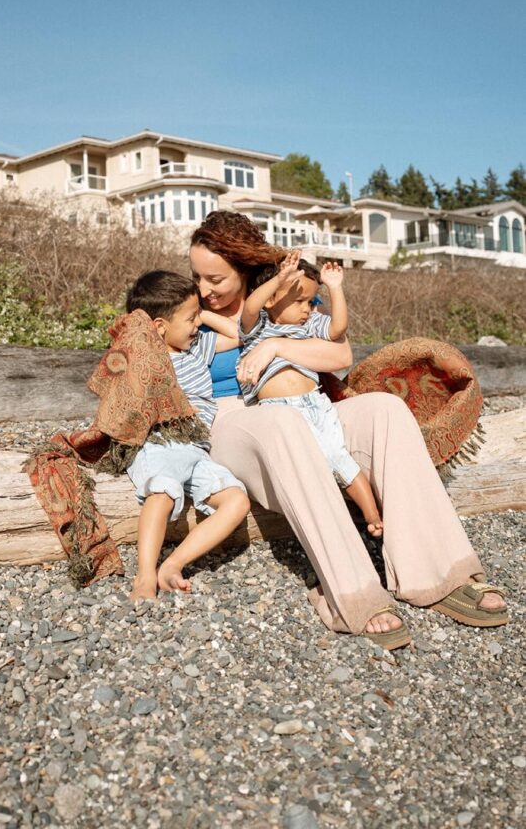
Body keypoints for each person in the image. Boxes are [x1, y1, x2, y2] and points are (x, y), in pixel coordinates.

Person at [190, 211, 508, 649]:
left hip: (302, 407)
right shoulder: (190, 309)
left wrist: (276, 345)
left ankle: (436, 571)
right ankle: (351, 591)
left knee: (385, 410)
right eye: (197, 277)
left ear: (245, 270)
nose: (203, 290)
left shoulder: (289, 293)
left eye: (215, 279)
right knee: (282, 424)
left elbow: (340, 354)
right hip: (232, 421)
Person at [124, 269, 250, 601]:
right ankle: (144, 575)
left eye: (198, 317)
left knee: (236, 501)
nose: (198, 325)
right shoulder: (146, 360)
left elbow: (238, 335)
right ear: (160, 327)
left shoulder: (196, 348)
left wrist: (199, 311)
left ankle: (174, 564)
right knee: (162, 493)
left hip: (197, 449)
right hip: (161, 444)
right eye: (191, 319)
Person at [237, 250, 383, 537]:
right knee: (311, 468)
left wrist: (335, 287)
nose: (307, 309)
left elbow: (338, 327)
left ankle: (372, 515)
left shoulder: (308, 326)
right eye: (299, 301)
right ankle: (339, 524)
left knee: (338, 458)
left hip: (315, 404)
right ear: (272, 299)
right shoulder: (258, 328)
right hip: (278, 410)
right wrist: (280, 278)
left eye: (311, 301)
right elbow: (251, 307)